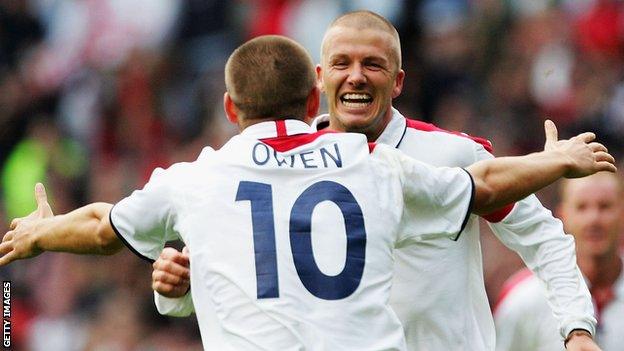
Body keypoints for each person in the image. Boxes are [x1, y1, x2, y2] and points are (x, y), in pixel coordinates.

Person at [0, 35, 616, 350]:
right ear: (310, 97)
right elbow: (482, 186)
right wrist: (552, 161)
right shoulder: (373, 166)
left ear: (228, 107)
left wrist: (39, 234)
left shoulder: (196, 179)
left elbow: (105, 228)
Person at [152, 10, 603, 351]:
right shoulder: (275, 170)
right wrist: (180, 284)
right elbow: (244, 273)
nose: (355, 77)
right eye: (342, 63)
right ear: (320, 79)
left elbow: (543, 236)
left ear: (399, 80)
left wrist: (577, 327)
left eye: (372, 64)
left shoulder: (452, 155)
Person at [494, 173, 624, 351]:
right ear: (562, 215)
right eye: (582, 207)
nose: (594, 219)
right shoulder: (522, 296)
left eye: (605, 207)